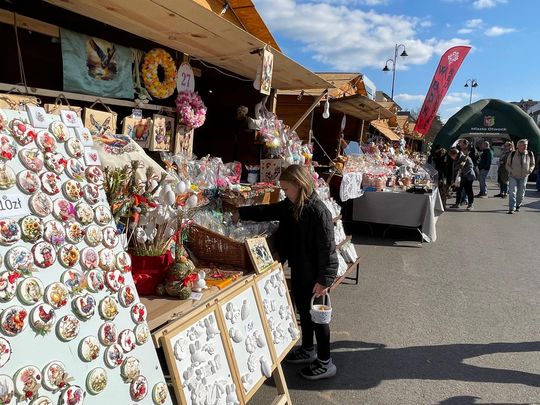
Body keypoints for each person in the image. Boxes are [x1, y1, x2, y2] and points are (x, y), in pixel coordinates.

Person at [235, 164, 338, 380]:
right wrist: (239, 212)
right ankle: (308, 349)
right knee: (304, 312)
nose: (284, 193)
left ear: (299, 185)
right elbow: (268, 211)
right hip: (300, 269)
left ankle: (325, 361)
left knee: (319, 317)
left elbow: (328, 250)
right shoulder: (291, 205)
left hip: (315, 275)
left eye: (286, 189)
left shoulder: (318, 212)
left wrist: (325, 279)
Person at [505, 139, 535, 214]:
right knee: (512, 192)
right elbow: (507, 164)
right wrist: (510, 171)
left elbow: (532, 164)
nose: (525, 146)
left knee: (521, 193)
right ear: (518, 146)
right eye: (523, 145)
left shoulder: (530, 153)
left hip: (524, 176)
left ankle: (518, 205)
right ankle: (512, 208)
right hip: (513, 176)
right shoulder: (513, 153)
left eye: (526, 145)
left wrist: (530, 170)